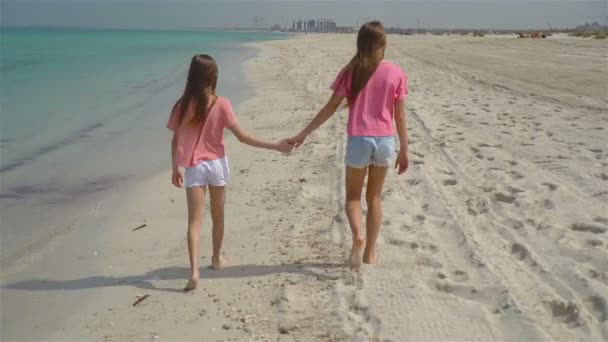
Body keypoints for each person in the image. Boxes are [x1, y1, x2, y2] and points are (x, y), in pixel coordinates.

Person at [286, 21, 409, 269]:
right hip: (385, 141)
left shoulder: (351, 71)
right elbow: (400, 116)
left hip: (359, 140)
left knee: (353, 197)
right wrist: (404, 148)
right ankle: (370, 253)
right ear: (383, 44)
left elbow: (331, 107)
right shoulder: (396, 73)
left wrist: (304, 133)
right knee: (374, 197)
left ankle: (358, 236)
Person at [168, 54, 293, 291]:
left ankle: (194, 270)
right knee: (218, 216)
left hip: (194, 166)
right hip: (217, 165)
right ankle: (216, 259)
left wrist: (175, 166)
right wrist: (277, 147)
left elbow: (175, 140)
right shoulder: (222, 104)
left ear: (191, 76)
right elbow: (243, 137)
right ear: (213, 77)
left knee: (194, 222)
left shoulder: (181, 105)